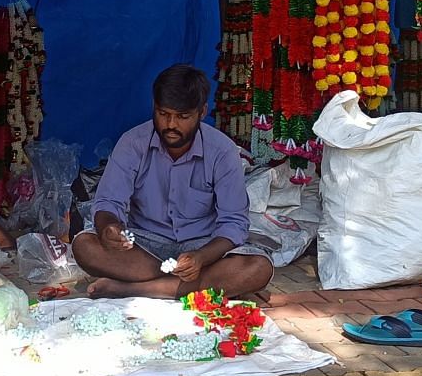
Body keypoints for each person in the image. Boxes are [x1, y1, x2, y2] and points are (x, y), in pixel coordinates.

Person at [72, 64, 273, 299]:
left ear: (202, 112)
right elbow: (108, 202)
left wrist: (201, 257)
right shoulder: (132, 142)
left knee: (258, 268)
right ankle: (183, 286)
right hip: (144, 247)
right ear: (154, 108)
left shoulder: (222, 150)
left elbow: (234, 222)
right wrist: (108, 227)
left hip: (202, 246)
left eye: (183, 116)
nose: (171, 125)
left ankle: (137, 289)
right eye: (163, 113)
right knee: (85, 246)